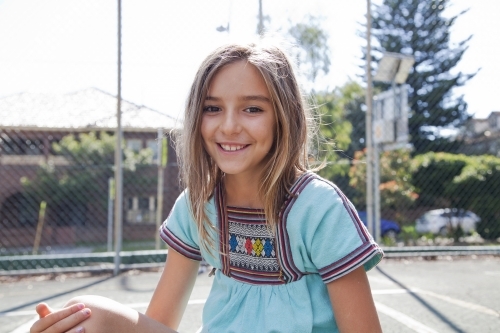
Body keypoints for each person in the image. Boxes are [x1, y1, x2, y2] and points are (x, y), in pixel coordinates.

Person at [30, 40, 384, 333]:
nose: (228, 126)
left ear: (284, 116)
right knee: (88, 314)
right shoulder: (196, 205)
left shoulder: (318, 208)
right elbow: (159, 323)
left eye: (252, 109)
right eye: (212, 108)